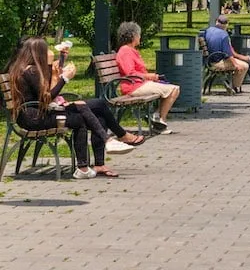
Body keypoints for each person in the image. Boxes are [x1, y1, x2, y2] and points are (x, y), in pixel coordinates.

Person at [8, 37, 121, 178]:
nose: (48, 52)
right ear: (38, 53)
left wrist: (59, 62)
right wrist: (65, 79)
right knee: (80, 118)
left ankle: (91, 161)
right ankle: (87, 163)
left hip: (34, 114)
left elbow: (45, 93)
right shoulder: (30, 71)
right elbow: (47, 98)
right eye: (45, 49)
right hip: (34, 118)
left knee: (92, 112)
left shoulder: (27, 69)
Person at [116, 21, 181, 134]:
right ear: (132, 36)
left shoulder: (131, 50)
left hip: (139, 84)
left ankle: (157, 118)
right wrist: (149, 76)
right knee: (174, 89)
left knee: (172, 88)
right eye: (138, 34)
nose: (140, 37)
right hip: (133, 86)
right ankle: (160, 121)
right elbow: (130, 73)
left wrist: (152, 77)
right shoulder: (125, 51)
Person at [204, 14, 250, 93]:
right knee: (245, 65)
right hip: (218, 62)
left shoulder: (208, 30)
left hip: (209, 60)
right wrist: (236, 65)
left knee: (247, 62)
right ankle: (235, 86)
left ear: (216, 22)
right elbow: (229, 54)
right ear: (227, 24)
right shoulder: (224, 35)